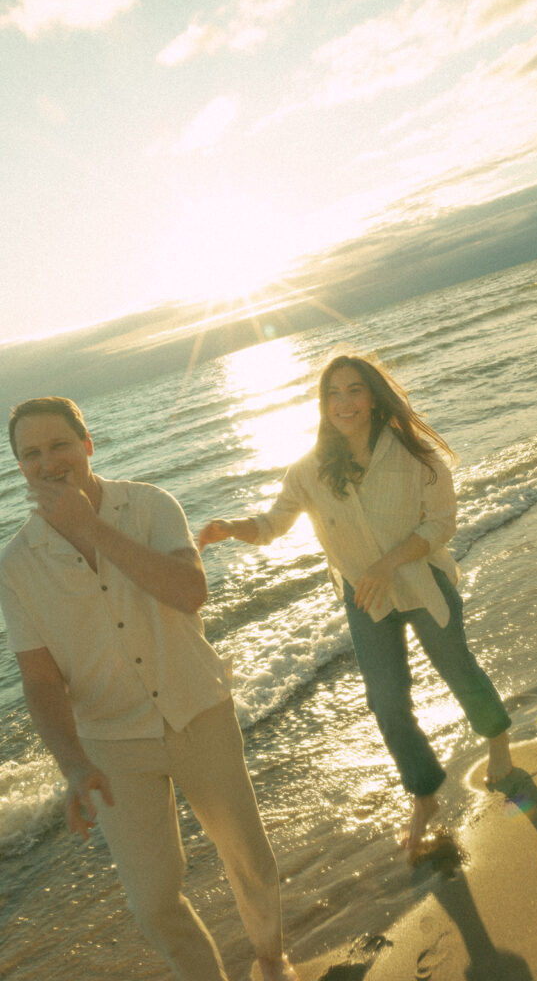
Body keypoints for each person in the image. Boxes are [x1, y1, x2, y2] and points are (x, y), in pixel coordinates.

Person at [0, 397, 298, 981]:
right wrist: (72, 765)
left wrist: (93, 529)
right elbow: (39, 680)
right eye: (30, 454)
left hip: (197, 709)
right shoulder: (16, 564)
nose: (48, 462)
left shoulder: (153, 505)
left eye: (59, 444)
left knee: (251, 863)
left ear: (87, 445)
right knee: (152, 900)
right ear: (20, 468)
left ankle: (270, 958)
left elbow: (190, 591)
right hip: (112, 744)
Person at [198, 354, 513, 851]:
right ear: (322, 404)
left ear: (372, 396)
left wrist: (387, 563)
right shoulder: (308, 470)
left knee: (458, 669)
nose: (343, 403)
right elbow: (275, 524)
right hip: (365, 598)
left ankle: (497, 740)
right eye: (332, 394)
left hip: (422, 582)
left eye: (354, 390)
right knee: (386, 699)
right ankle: (425, 792)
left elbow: (441, 524)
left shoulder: (416, 455)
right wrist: (234, 528)